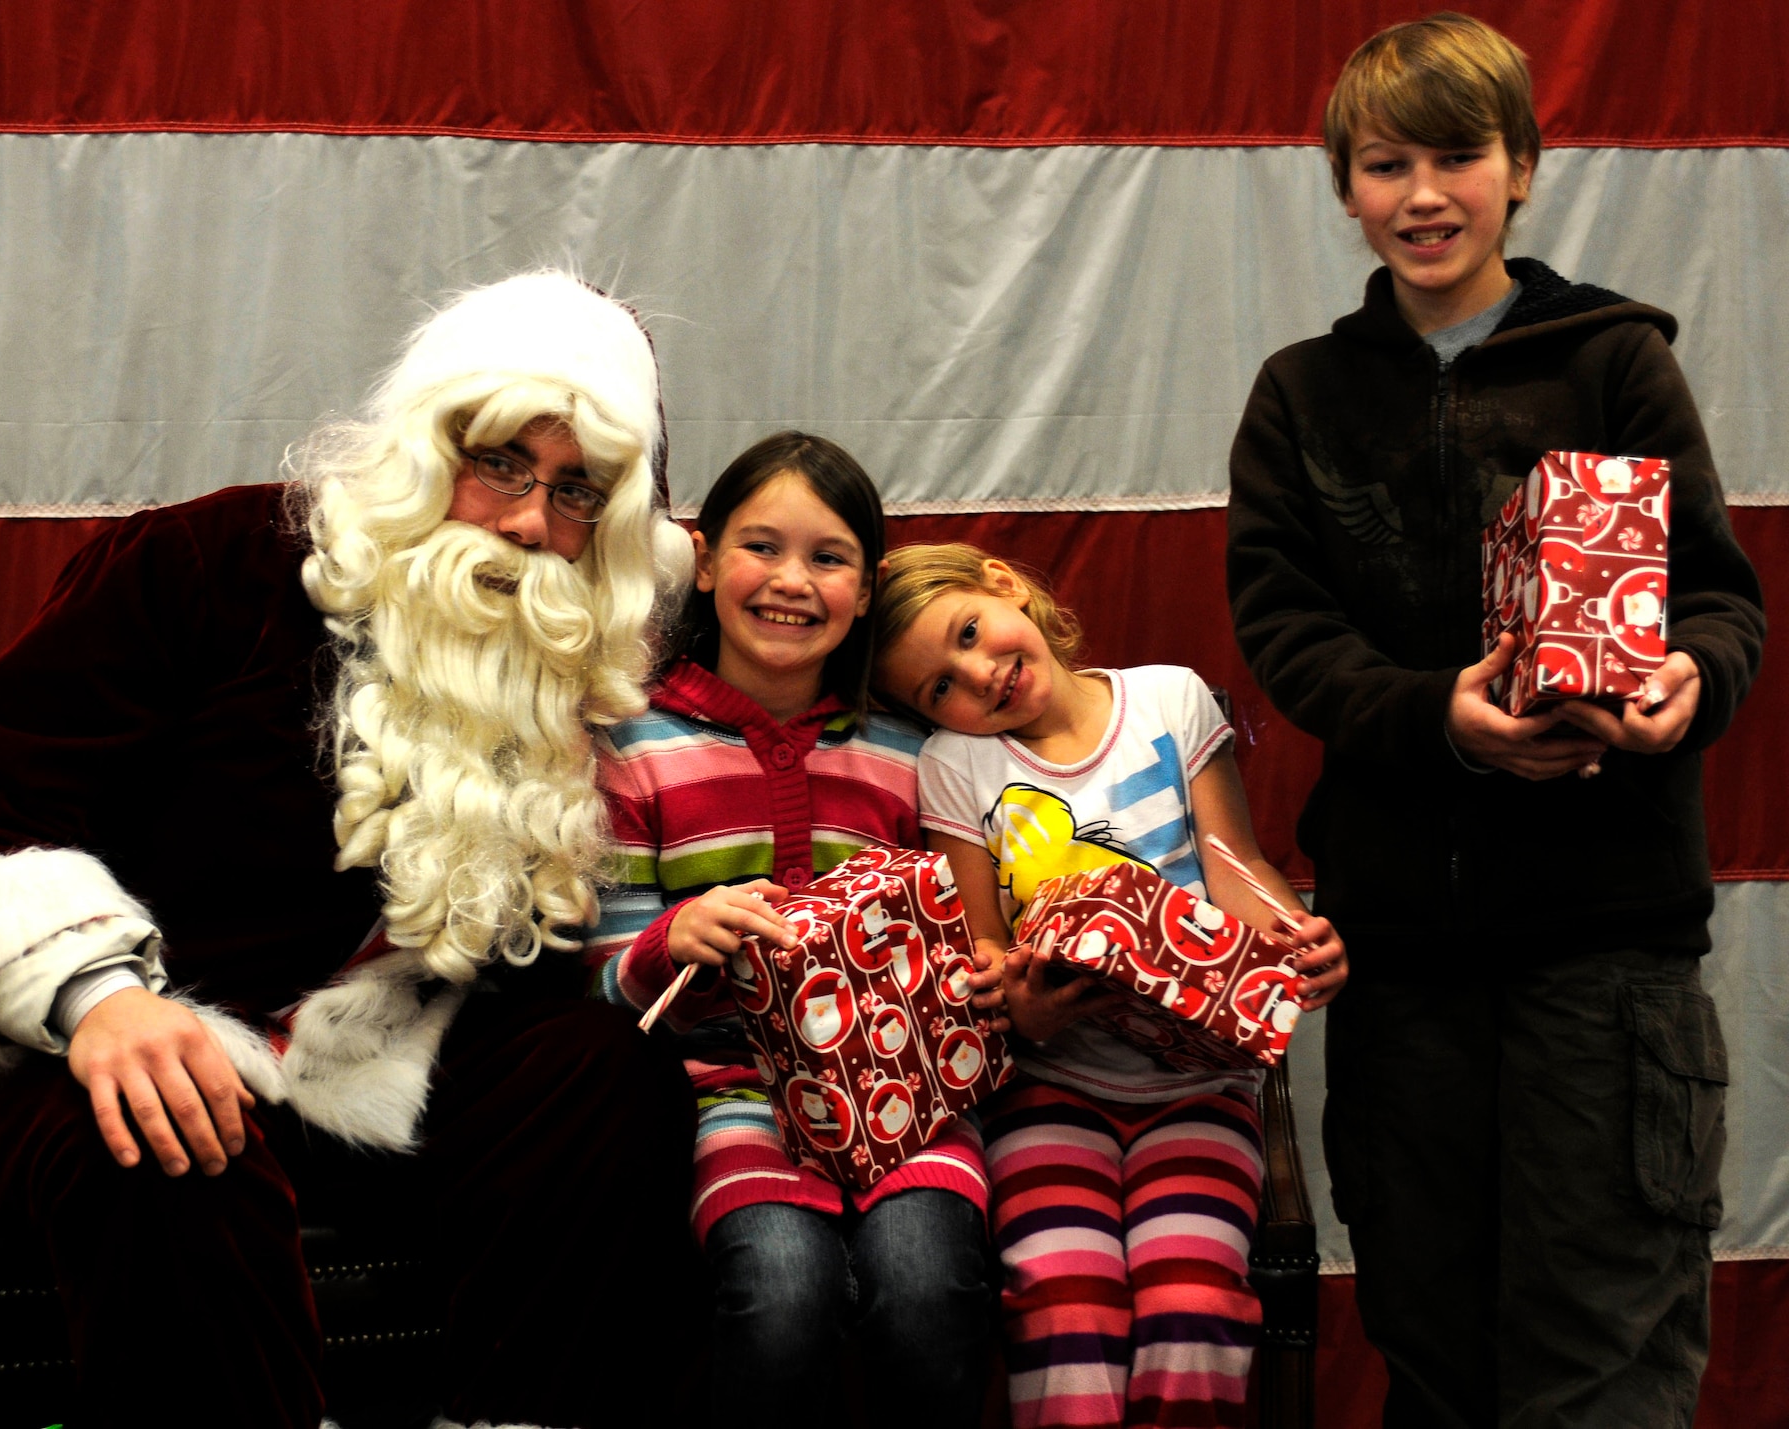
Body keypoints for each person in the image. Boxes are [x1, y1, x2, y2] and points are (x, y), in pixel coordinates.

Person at [0, 270, 704, 1429]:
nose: (528, 523)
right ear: (423, 446)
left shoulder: (550, 641)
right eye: (502, 463)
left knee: (602, 1077)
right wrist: (98, 999)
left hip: (368, 1062)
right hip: (90, 1036)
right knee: (170, 1128)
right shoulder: (206, 561)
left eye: (576, 492)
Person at [1224, 15, 1766, 1427]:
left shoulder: (1616, 363)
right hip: (1405, 960)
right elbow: (1285, 634)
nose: (1423, 194)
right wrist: (1434, 716)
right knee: (1433, 1340)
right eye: (1386, 163)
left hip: (1610, 950)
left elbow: (1720, 601)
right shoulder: (1302, 395)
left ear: (1522, 168)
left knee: (1603, 1358)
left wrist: (1686, 685)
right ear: (1343, 184)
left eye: (1458, 156)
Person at [871, 542, 1347, 1429]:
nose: (980, 674)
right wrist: (1022, 1004)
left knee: (1192, 1306)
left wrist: (1297, 939)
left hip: (1198, 1087)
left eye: (971, 632)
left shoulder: (1168, 697)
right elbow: (981, 948)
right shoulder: (955, 765)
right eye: (940, 685)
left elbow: (1232, 861)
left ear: (1003, 585)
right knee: (1064, 1309)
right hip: (1047, 1092)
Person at [589, 433, 997, 1429]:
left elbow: (971, 932)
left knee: (925, 1281)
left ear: (867, 585)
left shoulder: (915, 754)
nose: (789, 581)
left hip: (910, 1093)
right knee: (779, 1292)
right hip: (729, 1097)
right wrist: (671, 938)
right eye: (759, 547)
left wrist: (983, 977)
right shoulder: (633, 747)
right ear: (702, 556)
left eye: (827, 558)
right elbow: (602, 974)